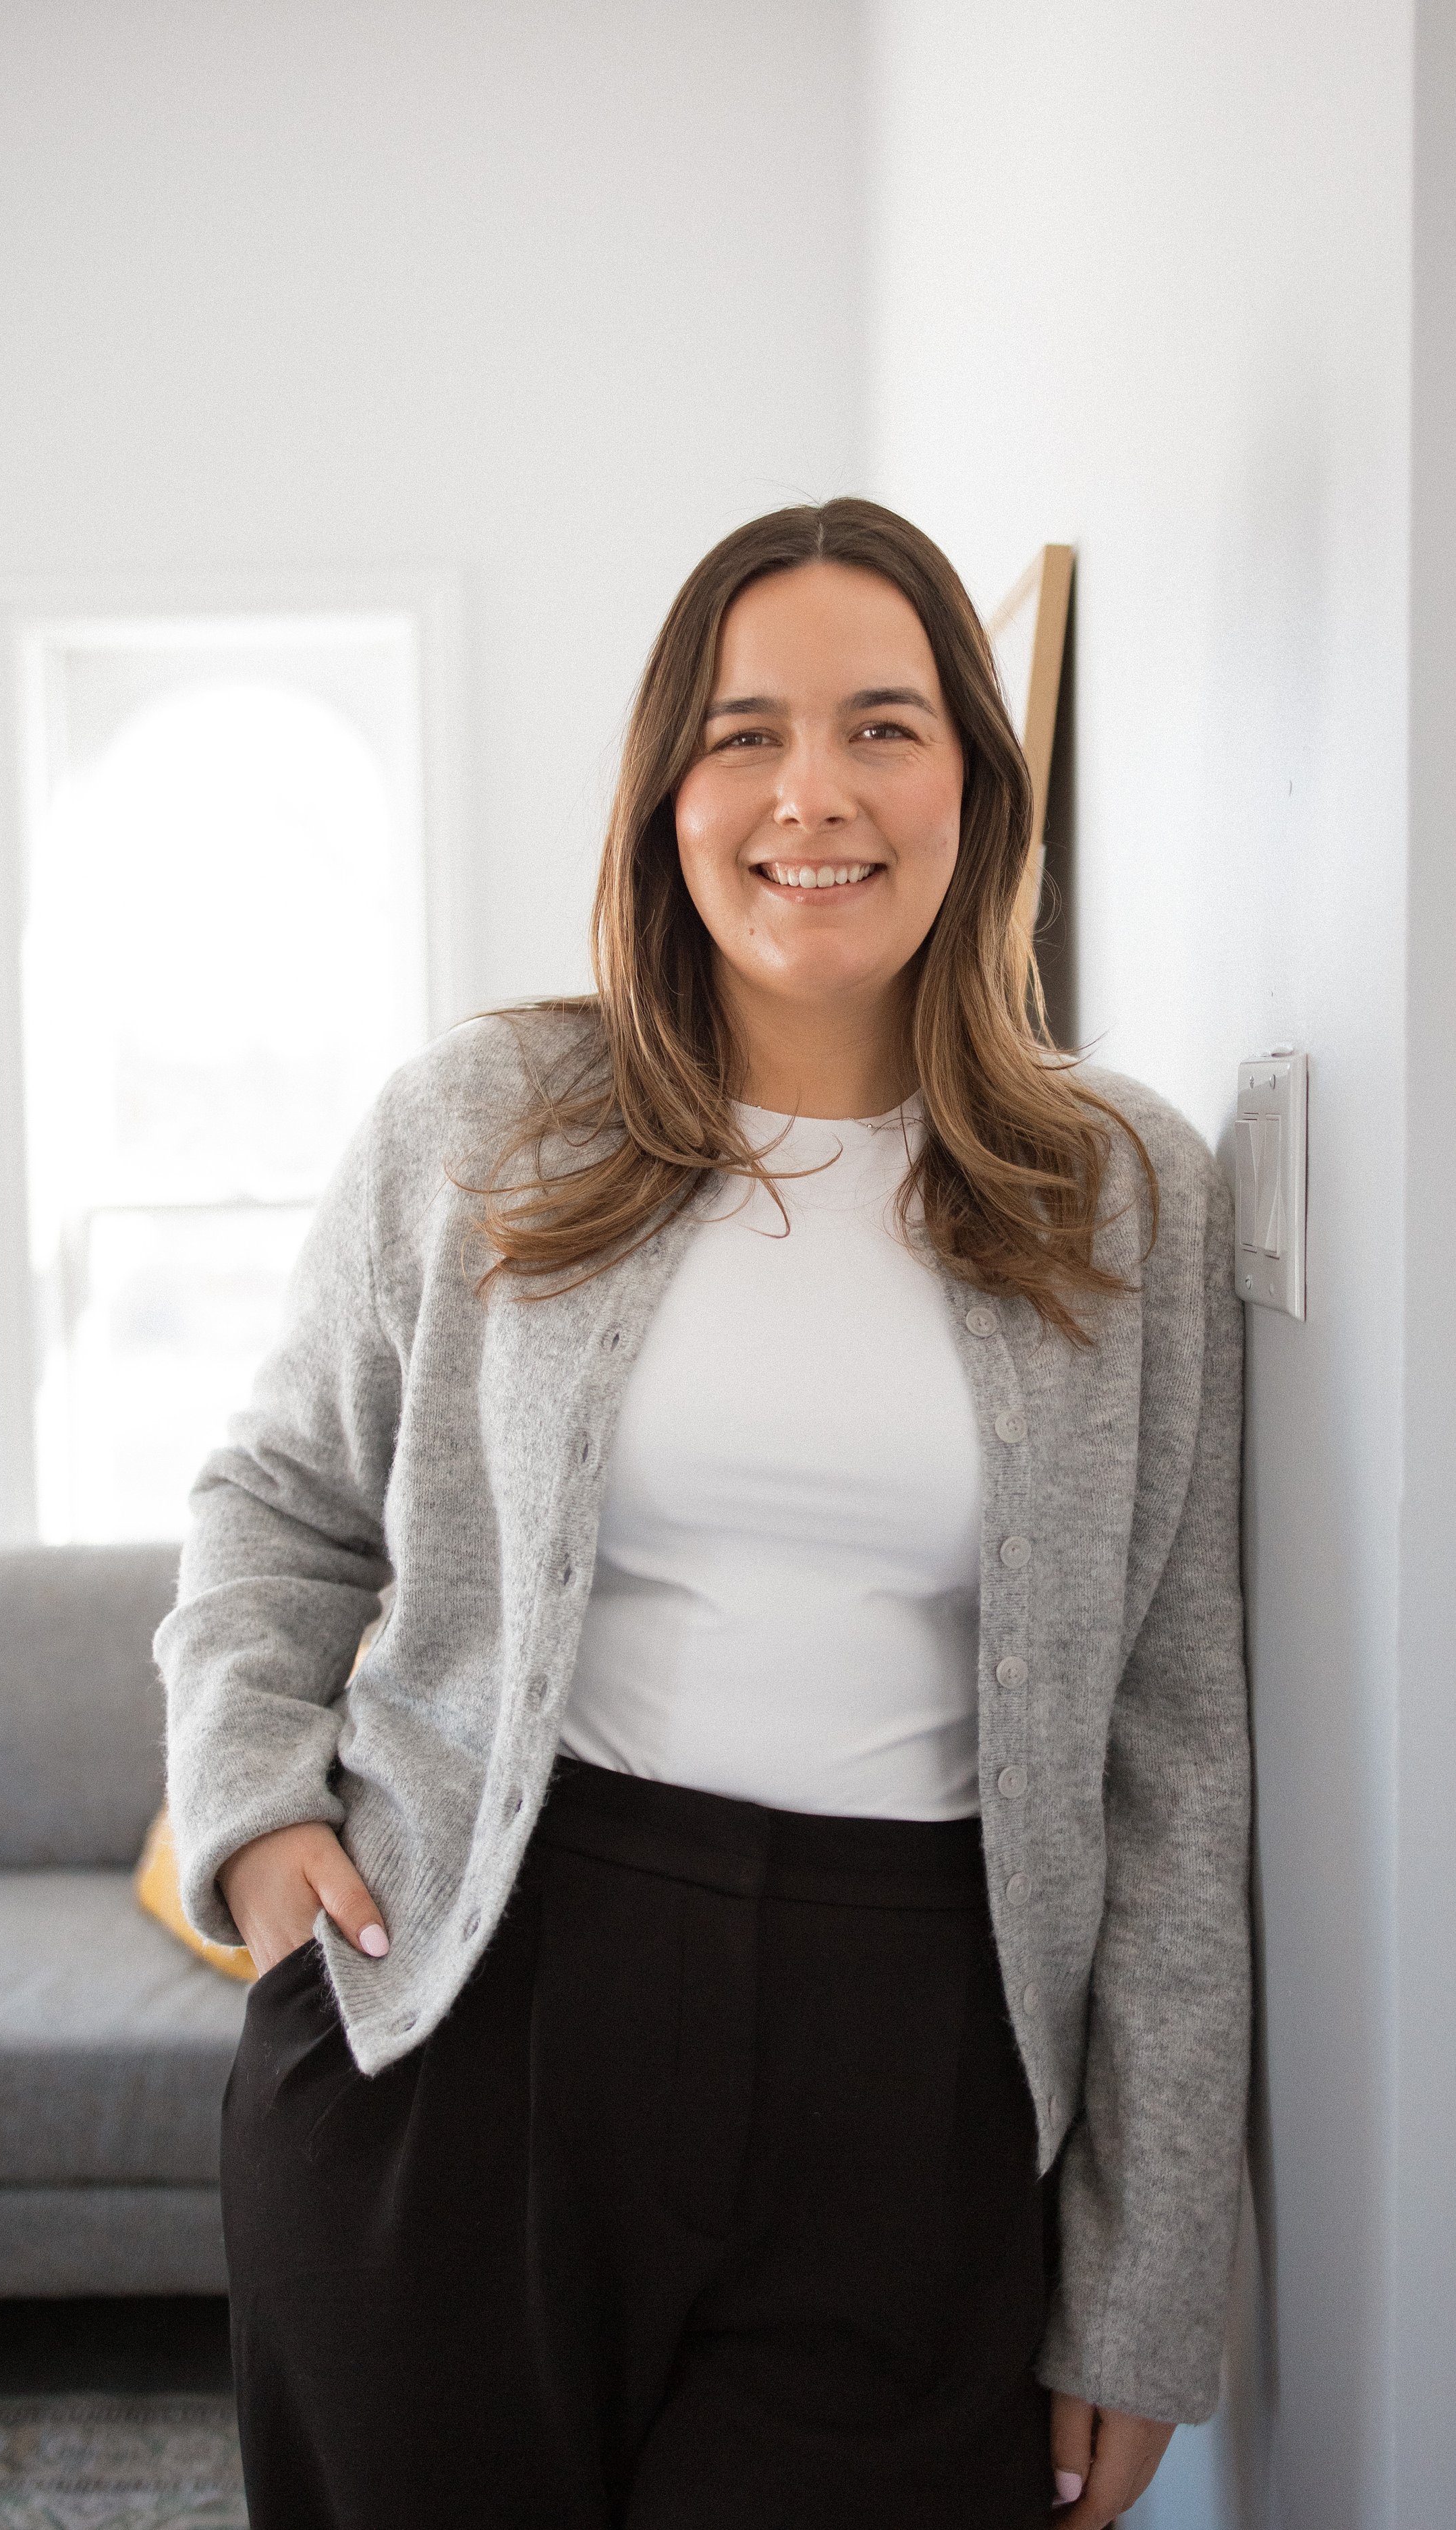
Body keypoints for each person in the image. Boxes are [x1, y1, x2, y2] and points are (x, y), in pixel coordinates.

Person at [157, 497, 1251, 2530]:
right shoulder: (481, 1124)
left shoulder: (1127, 1193)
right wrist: (255, 1816)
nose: (808, 794)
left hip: (916, 2063)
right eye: (742, 733)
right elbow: (279, 1499)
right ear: (665, 794)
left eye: (882, 727)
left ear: (976, 790)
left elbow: (1172, 1757)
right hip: (475, 2009)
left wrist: (1142, 2282)